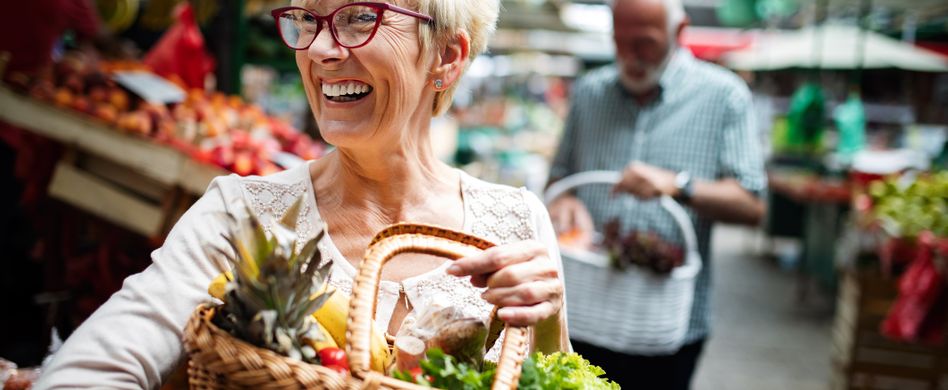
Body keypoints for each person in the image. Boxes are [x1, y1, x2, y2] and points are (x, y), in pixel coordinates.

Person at [36, 1, 569, 387]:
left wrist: (551, 327)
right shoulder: (242, 215)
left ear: (447, 56)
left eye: (360, 18)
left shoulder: (518, 223)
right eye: (307, 21)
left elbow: (559, 376)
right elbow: (93, 368)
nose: (319, 49)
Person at [547, 0, 766, 388]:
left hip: (670, 327)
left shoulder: (724, 96)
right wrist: (564, 202)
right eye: (620, 41)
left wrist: (680, 186)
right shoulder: (589, 94)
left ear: (679, 32)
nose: (630, 55)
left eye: (645, 42)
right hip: (583, 314)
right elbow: (559, 178)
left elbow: (752, 205)